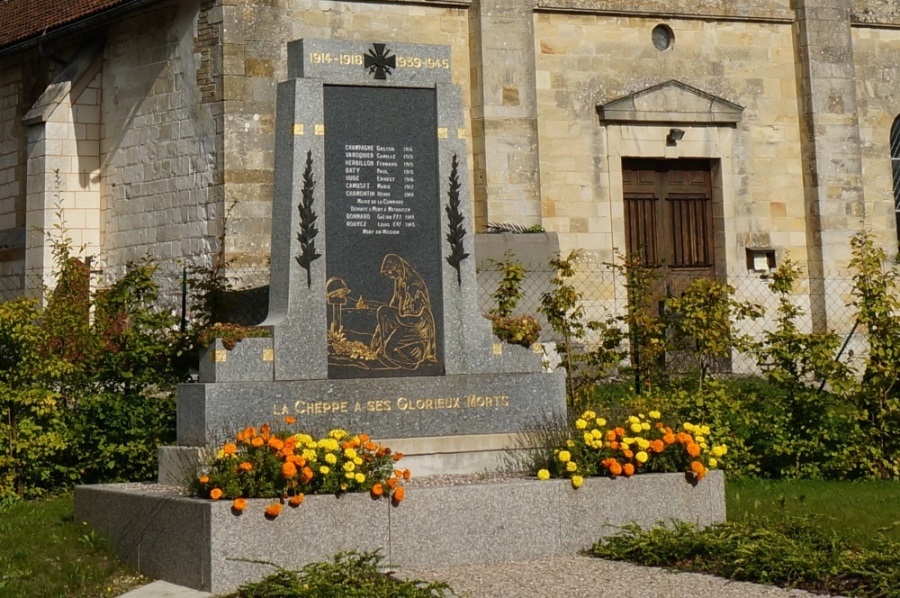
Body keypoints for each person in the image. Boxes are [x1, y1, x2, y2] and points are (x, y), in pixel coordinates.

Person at [370, 254, 437, 369]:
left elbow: (413, 312)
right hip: (405, 319)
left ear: (397, 267)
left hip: (417, 322)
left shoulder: (413, 285)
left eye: (390, 271)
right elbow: (394, 304)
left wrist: (398, 322)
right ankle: (388, 350)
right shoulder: (400, 280)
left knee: (389, 349)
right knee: (383, 311)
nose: (389, 275)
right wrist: (379, 330)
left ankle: (410, 363)